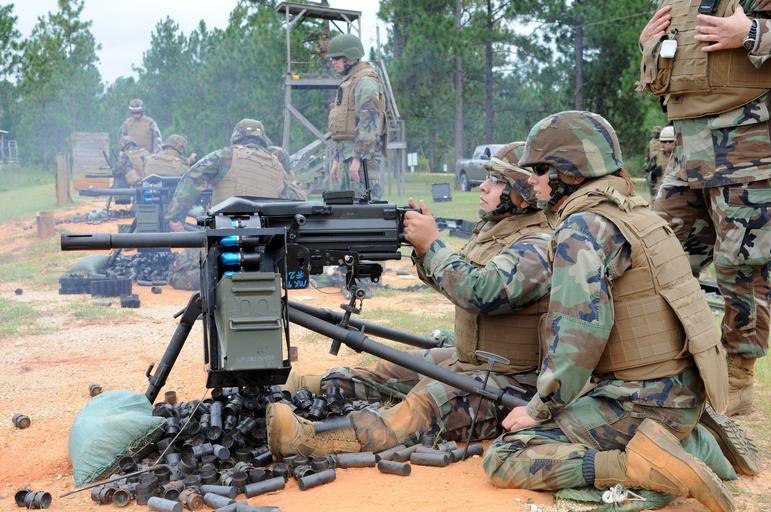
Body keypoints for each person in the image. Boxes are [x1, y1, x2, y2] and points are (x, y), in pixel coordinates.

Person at [482, 111, 735, 512]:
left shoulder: (582, 229)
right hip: (680, 396)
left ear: (570, 174)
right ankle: (693, 446)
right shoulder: (639, 214)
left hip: (644, 404)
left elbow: (579, 337)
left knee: (505, 456)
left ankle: (639, 466)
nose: (532, 180)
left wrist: (539, 409)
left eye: (540, 170)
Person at [267, 141, 555, 456]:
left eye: (497, 181)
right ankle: (302, 384)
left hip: (514, 381)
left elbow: (480, 292)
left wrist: (433, 245)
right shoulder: (499, 232)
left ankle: (310, 438)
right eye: (487, 177)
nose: (484, 186)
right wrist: (423, 249)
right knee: (390, 371)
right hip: (472, 359)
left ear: (523, 193)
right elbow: (456, 283)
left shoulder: (539, 245)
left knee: (421, 406)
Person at [639, 1, 771, 416]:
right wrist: (649, 44)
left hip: (749, 147)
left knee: (742, 266)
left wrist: (752, 33)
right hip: (686, 147)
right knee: (656, 256)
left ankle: (737, 380)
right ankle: (666, 366)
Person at [165, 119, 304, 231]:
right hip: (265, 235)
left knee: (189, 255)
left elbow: (193, 177)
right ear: (263, 140)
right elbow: (296, 199)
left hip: (225, 230)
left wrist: (176, 216)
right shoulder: (277, 165)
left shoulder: (225, 155)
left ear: (236, 137)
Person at [326, 33, 387, 198]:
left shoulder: (365, 82)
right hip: (347, 156)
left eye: (337, 58)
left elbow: (369, 122)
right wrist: (337, 159)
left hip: (361, 159)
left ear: (350, 58)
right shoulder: (349, 82)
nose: (333, 62)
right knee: (345, 206)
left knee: (363, 206)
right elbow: (343, 128)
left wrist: (358, 159)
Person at [644, 124, 675, 200]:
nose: (667, 144)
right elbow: (648, 177)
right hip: (660, 194)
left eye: (670, 141)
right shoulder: (656, 157)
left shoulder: (681, 156)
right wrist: (652, 175)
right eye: (664, 141)